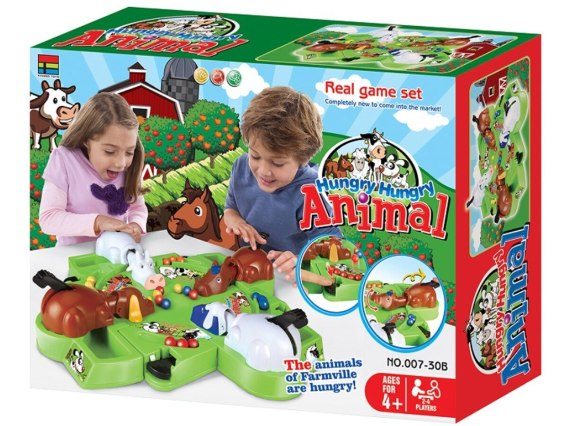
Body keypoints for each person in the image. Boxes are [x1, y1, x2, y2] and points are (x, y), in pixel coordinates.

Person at [224, 87, 342, 282]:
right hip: (249, 267)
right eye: (255, 155)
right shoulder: (241, 167)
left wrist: (301, 262)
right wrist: (236, 221)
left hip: (288, 278)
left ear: (303, 159)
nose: (263, 171)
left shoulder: (311, 191)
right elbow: (230, 209)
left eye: (277, 163)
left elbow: (335, 249)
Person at [39, 92, 147, 246]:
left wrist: (136, 224)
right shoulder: (64, 160)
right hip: (73, 254)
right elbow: (49, 218)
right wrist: (97, 222)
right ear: (86, 140)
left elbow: (137, 208)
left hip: (116, 252)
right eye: (109, 151)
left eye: (129, 152)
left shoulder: (130, 167)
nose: (121, 163)